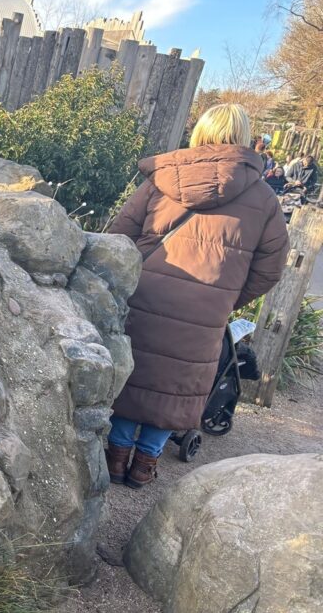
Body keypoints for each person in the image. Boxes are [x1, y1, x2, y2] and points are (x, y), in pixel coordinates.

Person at [106, 104, 290, 488]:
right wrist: (225, 298)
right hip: (207, 312)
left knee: (136, 373)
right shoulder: (265, 200)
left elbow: (117, 238)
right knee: (178, 385)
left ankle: (116, 457)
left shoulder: (160, 180)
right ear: (244, 136)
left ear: (200, 132)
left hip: (144, 295)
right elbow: (270, 270)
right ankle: (145, 465)